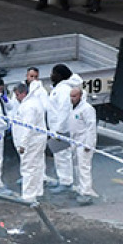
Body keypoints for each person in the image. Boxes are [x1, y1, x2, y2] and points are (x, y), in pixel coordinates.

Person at [46, 63, 83, 194]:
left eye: (53, 73)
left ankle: (66, 182)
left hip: (61, 129)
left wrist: (58, 130)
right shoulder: (60, 88)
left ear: (60, 75)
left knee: (63, 155)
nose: (51, 76)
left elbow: (64, 111)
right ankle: (63, 179)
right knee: (60, 155)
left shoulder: (63, 90)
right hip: (58, 128)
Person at [10, 81, 47, 203]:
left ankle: (28, 195)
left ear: (23, 93)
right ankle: (37, 191)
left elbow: (28, 127)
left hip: (31, 142)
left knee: (28, 167)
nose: (16, 98)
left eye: (17, 95)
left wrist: (23, 144)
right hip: (37, 139)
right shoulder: (34, 102)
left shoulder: (29, 107)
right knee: (37, 166)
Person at [69, 86, 98, 205]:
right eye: (71, 96)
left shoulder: (87, 109)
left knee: (84, 167)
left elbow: (91, 127)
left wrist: (88, 144)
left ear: (80, 96)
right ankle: (80, 188)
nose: (72, 98)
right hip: (75, 141)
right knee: (77, 167)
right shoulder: (73, 108)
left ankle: (86, 192)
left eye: (74, 96)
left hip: (84, 142)